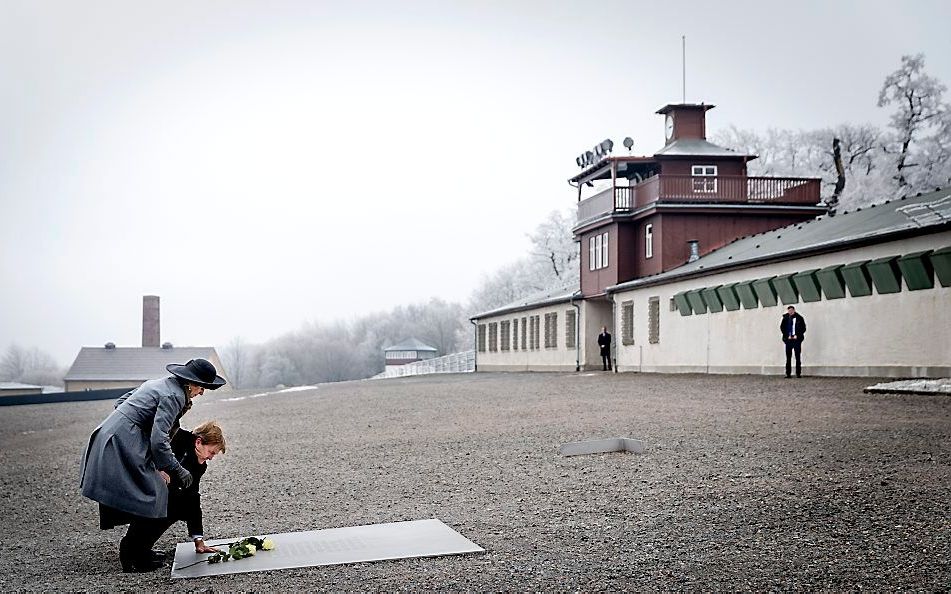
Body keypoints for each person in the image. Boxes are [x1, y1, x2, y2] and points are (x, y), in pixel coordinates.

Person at [79, 358, 226, 572]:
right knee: (155, 492)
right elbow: (159, 440)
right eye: (202, 387)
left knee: (152, 489)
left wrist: (131, 425)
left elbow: (122, 402)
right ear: (190, 383)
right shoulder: (174, 395)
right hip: (121, 440)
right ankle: (133, 557)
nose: (202, 392)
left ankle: (140, 550)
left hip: (111, 432)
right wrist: (175, 468)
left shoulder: (160, 384)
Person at [122, 421, 227, 564]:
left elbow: (193, 497)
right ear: (198, 442)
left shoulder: (199, 465)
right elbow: (148, 447)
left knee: (179, 505)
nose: (210, 457)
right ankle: (132, 554)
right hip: (136, 479)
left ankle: (142, 548)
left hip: (159, 491)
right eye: (211, 452)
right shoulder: (177, 438)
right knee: (166, 502)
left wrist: (198, 539)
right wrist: (156, 470)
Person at [780, 306, 807, 378]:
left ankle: (798, 373)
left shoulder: (799, 318)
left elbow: (803, 328)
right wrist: (786, 336)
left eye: (791, 310)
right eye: (789, 311)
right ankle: (788, 373)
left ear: (794, 310)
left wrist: (798, 335)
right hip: (788, 340)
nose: (790, 312)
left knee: (797, 356)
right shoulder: (785, 318)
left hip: (796, 340)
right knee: (788, 357)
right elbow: (782, 328)